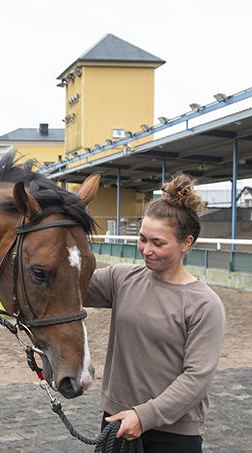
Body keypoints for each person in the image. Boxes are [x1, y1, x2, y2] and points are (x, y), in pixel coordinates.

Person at [84, 173, 226, 452]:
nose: (146, 250)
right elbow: (65, 289)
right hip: (117, 423)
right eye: (142, 239)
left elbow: (196, 378)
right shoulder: (121, 278)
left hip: (173, 434)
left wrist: (143, 415)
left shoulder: (205, 304)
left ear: (186, 243)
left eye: (158, 243)